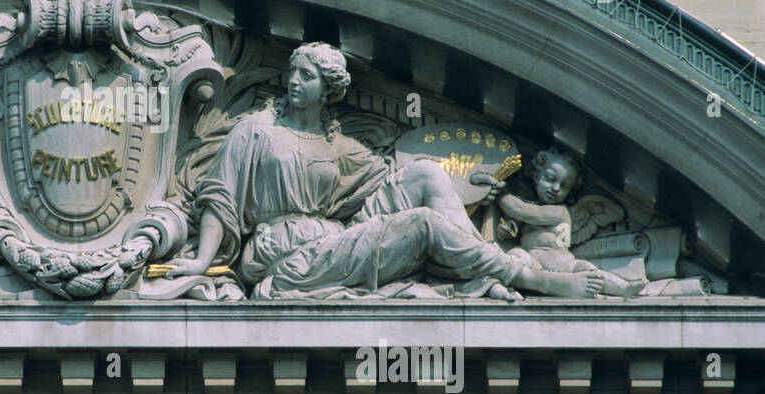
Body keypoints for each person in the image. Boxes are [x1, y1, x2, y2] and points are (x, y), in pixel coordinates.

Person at [164, 43, 605, 299]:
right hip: (284, 254)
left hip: (333, 239)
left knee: (428, 174)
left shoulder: (339, 145)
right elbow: (220, 199)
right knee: (423, 224)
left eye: (307, 76)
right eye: (292, 73)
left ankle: (479, 267)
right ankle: (525, 276)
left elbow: (395, 180)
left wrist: (478, 185)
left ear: (328, 91)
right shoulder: (255, 129)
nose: (294, 81)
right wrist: (202, 261)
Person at [498, 147, 643, 297]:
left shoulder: (559, 212)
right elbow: (516, 224)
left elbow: (520, 210)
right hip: (533, 262)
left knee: (589, 271)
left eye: (565, 186)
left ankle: (623, 288)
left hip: (560, 263)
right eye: (550, 179)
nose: (556, 188)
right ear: (536, 175)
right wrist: (506, 229)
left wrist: (500, 192)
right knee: (514, 256)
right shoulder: (535, 212)